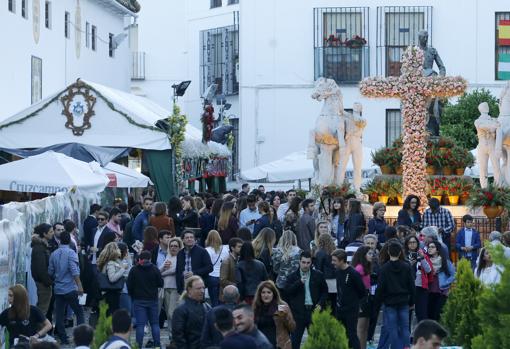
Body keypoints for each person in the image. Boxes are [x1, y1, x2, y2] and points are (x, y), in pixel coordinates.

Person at [375, 242, 415, 349]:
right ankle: (406, 347)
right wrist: (412, 302)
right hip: (403, 301)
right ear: (400, 252)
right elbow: (411, 286)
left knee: (392, 329)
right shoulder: (406, 267)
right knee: (405, 328)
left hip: (389, 302)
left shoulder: (384, 268)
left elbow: (380, 288)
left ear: (388, 252)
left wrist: (377, 303)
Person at [285, 251, 328, 349]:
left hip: (313, 311)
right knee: (295, 341)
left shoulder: (318, 275)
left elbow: (325, 292)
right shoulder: (292, 276)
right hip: (298, 313)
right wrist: (299, 283)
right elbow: (287, 292)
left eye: (308, 263)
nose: (306, 265)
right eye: (303, 262)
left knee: (316, 341)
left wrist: (321, 303)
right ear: (299, 262)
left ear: (311, 263)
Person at [48, 231, 85, 344]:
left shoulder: (54, 254)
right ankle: (81, 338)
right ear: (69, 240)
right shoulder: (71, 253)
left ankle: (63, 339)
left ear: (59, 240)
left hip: (58, 288)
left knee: (59, 315)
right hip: (70, 288)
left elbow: (50, 271)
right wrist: (80, 286)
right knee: (79, 312)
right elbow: (74, 271)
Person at [127, 250, 163, 349]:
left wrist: (133, 294)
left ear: (139, 259)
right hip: (152, 300)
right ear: (150, 258)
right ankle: (157, 346)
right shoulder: (155, 269)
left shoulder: (134, 269)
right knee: (155, 324)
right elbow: (161, 283)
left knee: (140, 325)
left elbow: (129, 285)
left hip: (138, 300)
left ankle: (138, 346)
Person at [331, 249, 366, 349]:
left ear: (342, 260)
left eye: (334, 260)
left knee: (351, 335)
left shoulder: (353, 273)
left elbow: (362, 291)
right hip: (340, 309)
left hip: (351, 310)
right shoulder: (338, 272)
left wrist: (353, 302)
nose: (332, 263)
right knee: (341, 334)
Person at [253, 280, 295, 349]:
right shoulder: (256, 307)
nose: (266, 295)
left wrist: (285, 316)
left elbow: (292, 327)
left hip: (278, 345)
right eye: (263, 292)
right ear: (260, 294)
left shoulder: (281, 306)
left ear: (274, 294)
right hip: (261, 344)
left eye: (269, 292)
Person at [171, 276, 210, 349]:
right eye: (198, 288)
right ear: (189, 290)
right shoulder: (181, 310)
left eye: (203, 288)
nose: (202, 291)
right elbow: (178, 335)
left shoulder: (207, 307)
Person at [404, 235, 432, 323]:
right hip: (407, 287)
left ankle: (422, 334)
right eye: (410, 243)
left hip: (421, 287)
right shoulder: (403, 256)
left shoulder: (422, 254)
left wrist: (422, 257)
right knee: (407, 314)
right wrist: (409, 264)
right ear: (406, 244)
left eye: (414, 242)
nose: (412, 245)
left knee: (422, 313)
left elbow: (428, 270)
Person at [351, 246, 375, 349]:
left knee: (365, 328)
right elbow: (355, 285)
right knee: (360, 328)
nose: (371, 256)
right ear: (363, 255)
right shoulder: (359, 268)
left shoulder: (366, 267)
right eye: (369, 254)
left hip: (367, 297)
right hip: (361, 299)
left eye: (372, 254)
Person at [426, 240, 455, 322]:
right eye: (429, 247)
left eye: (432, 247)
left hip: (440, 291)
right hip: (428, 291)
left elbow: (454, 275)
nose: (430, 249)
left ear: (437, 249)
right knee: (429, 314)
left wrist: (445, 284)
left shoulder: (445, 261)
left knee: (437, 315)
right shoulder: (426, 261)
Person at [97, 242, 126, 315]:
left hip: (108, 293)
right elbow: (112, 278)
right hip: (111, 293)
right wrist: (122, 269)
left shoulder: (108, 262)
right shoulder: (110, 263)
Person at [31, 223, 54, 315]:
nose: (52, 233)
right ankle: (39, 329)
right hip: (43, 284)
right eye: (51, 231)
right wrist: (48, 282)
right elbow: (41, 269)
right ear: (44, 234)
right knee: (42, 310)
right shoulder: (39, 248)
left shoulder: (42, 246)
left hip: (43, 282)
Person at [272, 230, 301, 295]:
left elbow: (275, 269)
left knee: (281, 303)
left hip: (281, 282)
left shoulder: (277, 252)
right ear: (294, 239)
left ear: (282, 238)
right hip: (295, 282)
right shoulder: (300, 252)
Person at [205, 230, 229, 306]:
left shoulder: (207, 250)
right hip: (223, 276)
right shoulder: (226, 248)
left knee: (213, 300)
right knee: (222, 299)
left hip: (212, 276)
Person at [314, 233, 337, 312]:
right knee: (334, 304)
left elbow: (318, 268)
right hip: (334, 281)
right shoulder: (334, 252)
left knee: (324, 304)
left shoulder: (320, 253)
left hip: (325, 280)